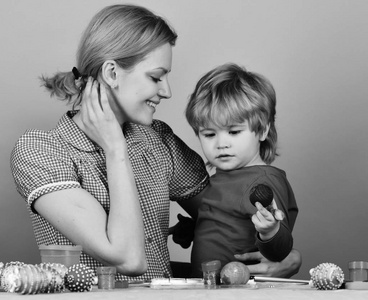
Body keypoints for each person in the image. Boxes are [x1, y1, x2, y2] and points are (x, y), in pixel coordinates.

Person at [10, 4, 300, 281]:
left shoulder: (158, 140)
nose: (167, 91)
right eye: (156, 77)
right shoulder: (41, 151)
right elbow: (128, 259)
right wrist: (115, 149)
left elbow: (228, 215)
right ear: (112, 73)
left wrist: (286, 256)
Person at [184, 63, 298, 277]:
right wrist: (195, 228)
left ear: (262, 130)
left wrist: (270, 231)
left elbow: (281, 249)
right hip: (208, 287)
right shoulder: (226, 176)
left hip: (239, 290)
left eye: (234, 132)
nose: (221, 144)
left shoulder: (262, 182)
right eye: (209, 135)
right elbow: (231, 224)